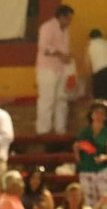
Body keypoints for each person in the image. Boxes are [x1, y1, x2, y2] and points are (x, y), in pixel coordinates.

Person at [75, 99, 107, 208]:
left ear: (106, 116)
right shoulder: (84, 132)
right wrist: (76, 150)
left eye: (102, 113)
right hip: (87, 171)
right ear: (91, 115)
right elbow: (79, 158)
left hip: (105, 170)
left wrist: (105, 157)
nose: (98, 115)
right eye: (96, 112)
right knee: (88, 205)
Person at [35, 5, 74, 135]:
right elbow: (43, 47)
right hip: (47, 69)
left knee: (61, 99)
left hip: (62, 69)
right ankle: (43, 131)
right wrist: (60, 54)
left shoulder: (66, 31)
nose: (70, 22)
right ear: (61, 17)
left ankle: (60, 130)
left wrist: (68, 58)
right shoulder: (47, 27)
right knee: (47, 99)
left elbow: (66, 51)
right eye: (68, 18)